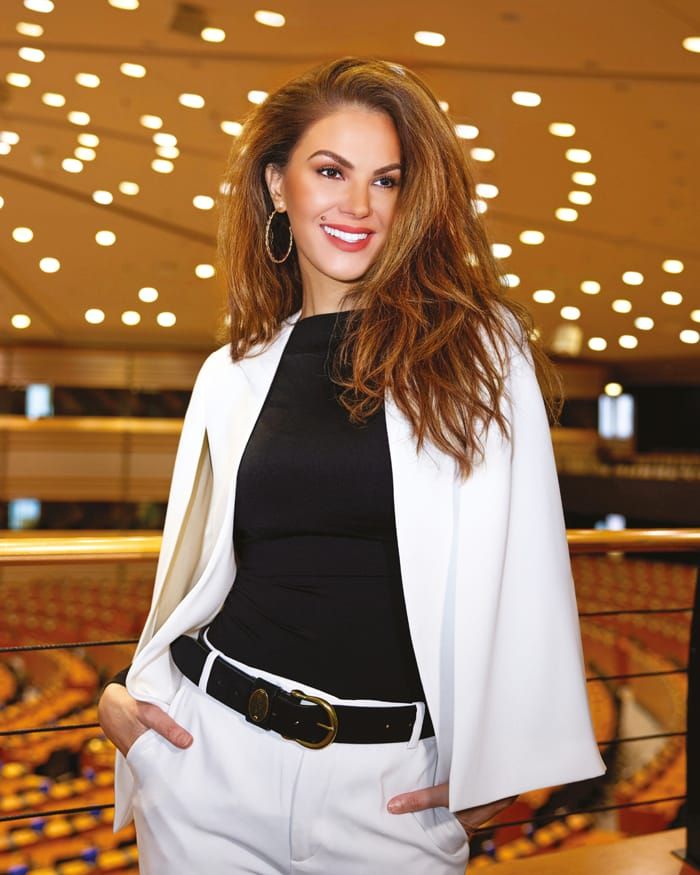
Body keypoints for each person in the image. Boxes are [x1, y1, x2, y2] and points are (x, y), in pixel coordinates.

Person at [97, 56, 606, 873]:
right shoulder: (232, 370)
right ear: (277, 184)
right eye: (330, 171)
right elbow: (197, 564)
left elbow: (530, 563)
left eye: (387, 180)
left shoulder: (478, 351)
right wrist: (130, 691)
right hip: (207, 759)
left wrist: (505, 764)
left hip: (392, 791)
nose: (359, 205)